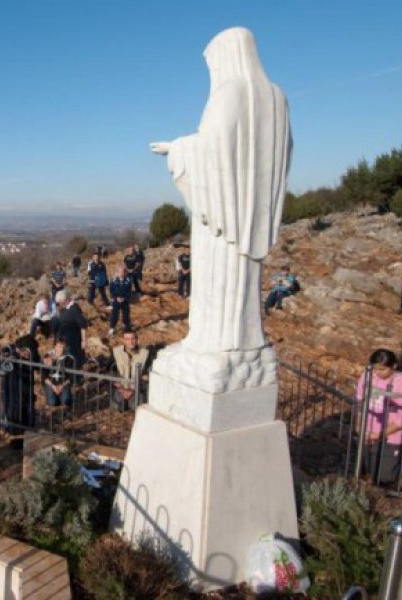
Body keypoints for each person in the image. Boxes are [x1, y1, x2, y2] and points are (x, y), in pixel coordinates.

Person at [150, 27, 291, 357]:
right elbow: (281, 154)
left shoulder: (230, 90)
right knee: (244, 281)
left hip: (222, 213)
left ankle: (213, 343)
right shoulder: (277, 96)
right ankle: (245, 340)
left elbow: (212, 147)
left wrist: (177, 148)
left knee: (218, 280)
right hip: (251, 210)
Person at [355, 348, 402, 485]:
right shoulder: (368, 376)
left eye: (382, 369)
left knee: (384, 477)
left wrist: (379, 435)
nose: (377, 372)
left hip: (391, 435)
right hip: (369, 432)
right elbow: (360, 402)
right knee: (366, 469)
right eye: (375, 368)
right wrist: (359, 425)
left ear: (394, 366)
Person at [0, 334, 40, 447]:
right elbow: (1, 359)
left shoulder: (32, 353)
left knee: (27, 412)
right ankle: (14, 437)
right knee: (14, 413)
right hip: (13, 389)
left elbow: (38, 364)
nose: (26, 354)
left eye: (28, 352)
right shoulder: (11, 351)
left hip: (27, 388)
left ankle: (26, 434)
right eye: (24, 352)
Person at [110, 331, 151, 409]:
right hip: (121, 388)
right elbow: (110, 371)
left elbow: (147, 375)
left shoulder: (145, 353)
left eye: (133, 339)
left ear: (137, 339)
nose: (130, 342)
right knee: (116, 406)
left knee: (138, 406)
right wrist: (121, 389)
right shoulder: (116, 352)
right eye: (127, 339)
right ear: (123, 340)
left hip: (136, 389)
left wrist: (133, 389)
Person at [55, 290, 88, 367]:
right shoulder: (64, 308)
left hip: (73, 340)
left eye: (60, 303)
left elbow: (83, 325)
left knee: (74, 359)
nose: (59, 305)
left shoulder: (74, 308)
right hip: (64, 340)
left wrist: (83, 340)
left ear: (65, 300)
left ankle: (76, 375)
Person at [109, 266, 133, 335]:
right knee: (114, 315)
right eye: (120, 272)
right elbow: (111, 291)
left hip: (125, 301)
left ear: (125, 273)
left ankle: (127, 328)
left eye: (123, 272)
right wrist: (116, 298)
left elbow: (129, 292)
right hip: (116, 301)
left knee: (126, 315)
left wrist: (124, 298)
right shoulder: (113, 281)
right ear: (117, 273)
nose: (121, 273)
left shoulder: (128, 281)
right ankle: (112, 328)